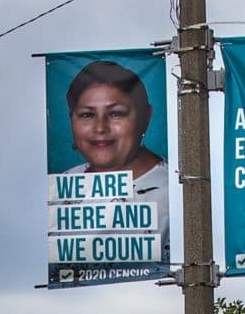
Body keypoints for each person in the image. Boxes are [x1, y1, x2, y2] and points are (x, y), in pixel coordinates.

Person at [60, 59, 169, 254]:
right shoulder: (62, 190)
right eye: (87, 115)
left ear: (146, 117)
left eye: (116, 114)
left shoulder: (175, 191)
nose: (100, 128)